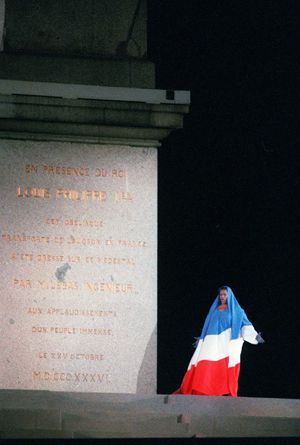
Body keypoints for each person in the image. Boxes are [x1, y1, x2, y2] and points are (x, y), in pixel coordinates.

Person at [172, 285, 264, 397]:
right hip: (212, 345)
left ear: (229, 295)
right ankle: (204, 391)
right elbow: (207, 326)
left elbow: (244, 326)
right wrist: (202, 339)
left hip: (226, 346)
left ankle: (220, 394)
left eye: (225, 294)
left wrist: (254, 336)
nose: (222, 296)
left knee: (223, 369)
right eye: (221, 294)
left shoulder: (237, 312)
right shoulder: (214, 311)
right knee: (207, 367)